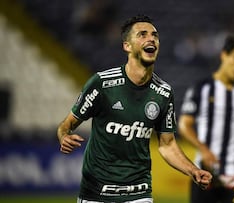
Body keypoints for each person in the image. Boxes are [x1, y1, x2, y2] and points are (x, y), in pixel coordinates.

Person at [57, 14, 212, 203]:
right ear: (127, 46)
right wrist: (64, 135)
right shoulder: (102, 84)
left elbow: (167, 144)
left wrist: (193, 170)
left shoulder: (163, 93)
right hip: (96, 193)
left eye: (155, 35)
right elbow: (67, 124)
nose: (151, 39)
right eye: (142, 34)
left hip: (138, 192)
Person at [178, 35, 234, 203]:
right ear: (224, 55)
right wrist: (203, 149)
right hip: (204, 173)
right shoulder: (201, 88)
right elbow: (184, 125)